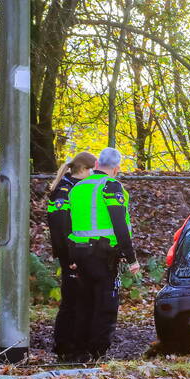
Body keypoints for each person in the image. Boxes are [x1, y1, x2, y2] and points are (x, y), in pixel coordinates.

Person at [67, 147, 140, 360]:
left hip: (79, 254)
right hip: (102, 254)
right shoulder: (111, 187)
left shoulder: (77, 188)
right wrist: (131, 258)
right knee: (105, 303)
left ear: (97, 165)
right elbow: (119, 224)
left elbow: (70, 224)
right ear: (116, 169)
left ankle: (79, 349)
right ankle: (98, 352)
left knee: (84, 302)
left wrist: (71, 257)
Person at [46, 151, 96, 361]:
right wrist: (70, 258)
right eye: (93, 170)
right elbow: (60, 227)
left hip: (78, 253)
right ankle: (65, 346)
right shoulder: (64, 191)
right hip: (70, 255)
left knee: (81, 298)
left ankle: (76, 344)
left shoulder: (77, 188)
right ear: (84, 169)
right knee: (71, 301)